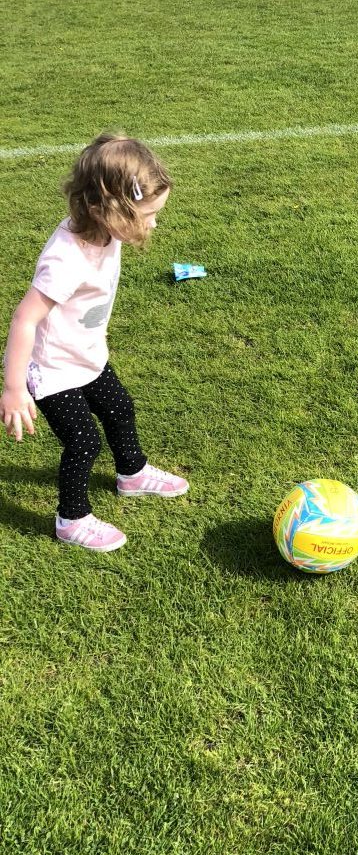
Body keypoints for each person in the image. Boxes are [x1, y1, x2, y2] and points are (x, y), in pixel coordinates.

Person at [1, 134, 189, 552]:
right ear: (107, 209)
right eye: (147, 215)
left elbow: (113, 147)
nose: (153, 224)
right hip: (53, 371)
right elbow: (24, 319)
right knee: (83, 441)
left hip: (86, 356)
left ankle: (132, 473)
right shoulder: (66, 261)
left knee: (119, 408)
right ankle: (71, 519)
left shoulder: (105, 228)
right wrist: (14, 389)